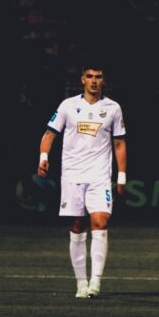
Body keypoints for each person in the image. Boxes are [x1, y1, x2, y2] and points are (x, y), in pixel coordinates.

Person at [37, 63, 127, 298]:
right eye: (90, 76)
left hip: (100, 175)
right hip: (73, 175)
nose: (94, 81)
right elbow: (49, 133)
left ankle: (95, 282)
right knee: (77, 226)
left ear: (103, 80)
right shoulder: (68, 106)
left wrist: (121, 176)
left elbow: (119, 143)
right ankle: (81, 283)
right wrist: (44, 157)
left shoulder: (113, 108)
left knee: (100, 221)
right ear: (82, 79)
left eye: (98, 76)